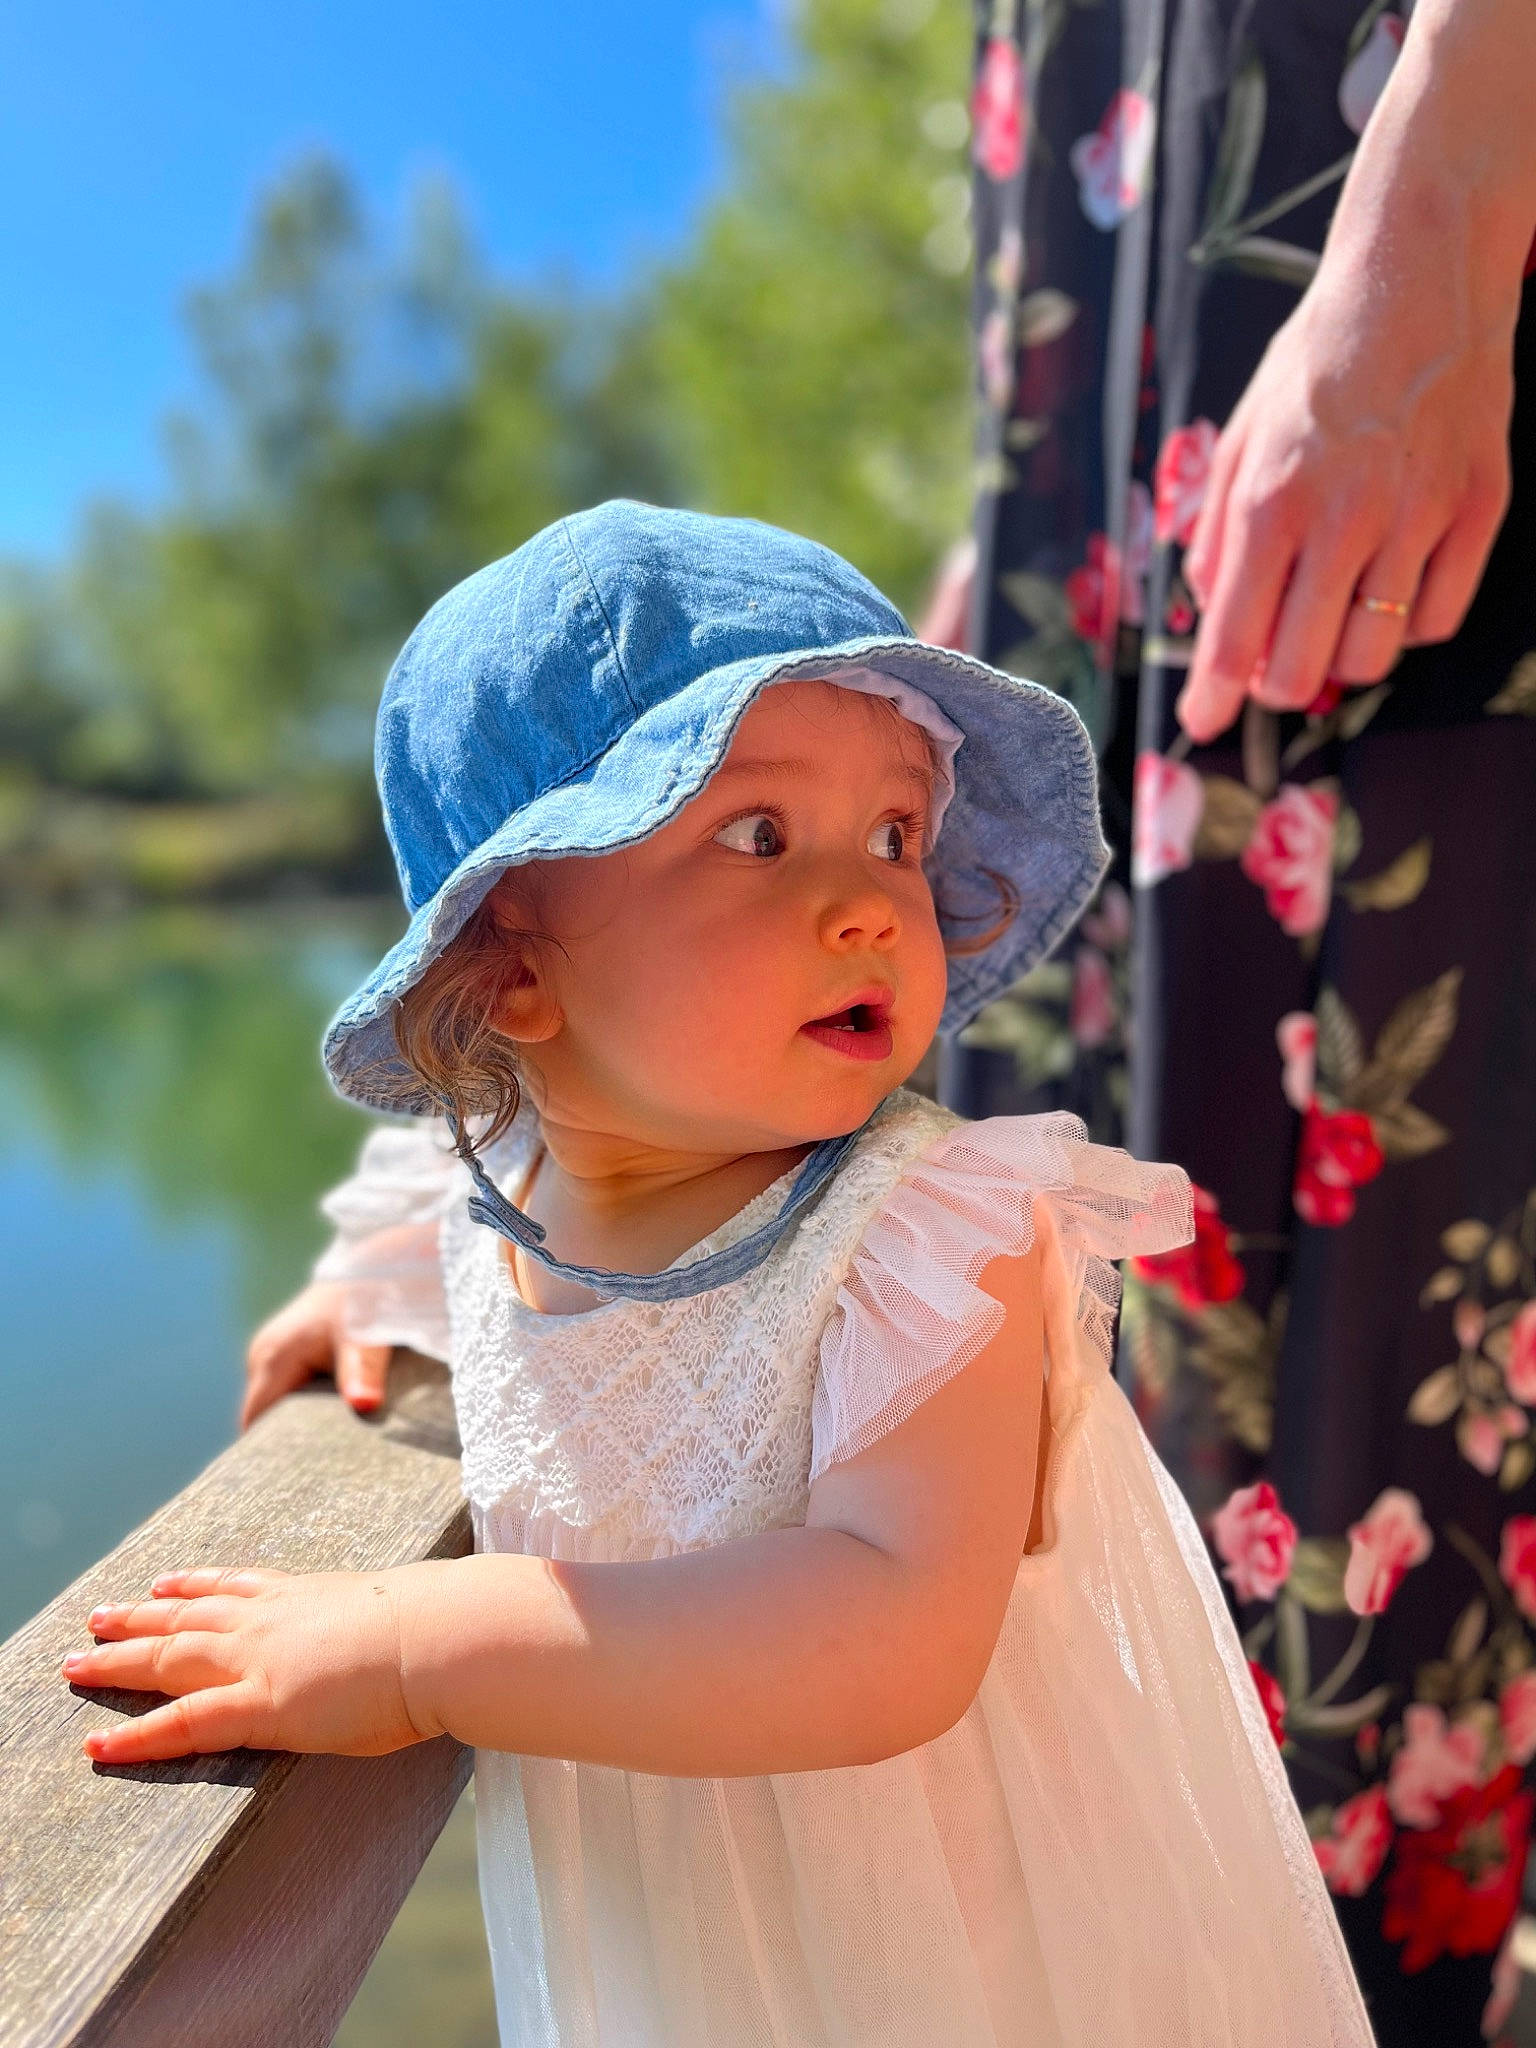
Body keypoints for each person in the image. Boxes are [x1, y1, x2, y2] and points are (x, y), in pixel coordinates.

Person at [61, 503, 1374, 2046]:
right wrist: (359, 1298)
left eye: (895, 836)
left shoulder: (934, 1234)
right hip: (686, 1955)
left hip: (962, 1965)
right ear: (513, 972)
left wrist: (416, 1648)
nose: (871, 902)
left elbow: (892, 1634)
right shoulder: (498, 1193)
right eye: (758, 835)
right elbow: (426, 1228)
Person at [962, 0, 1536, 2038]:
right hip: (1108, 440)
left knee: (1377, 1448)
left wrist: (1447, 186)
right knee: (1076, 1431)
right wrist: (996, 554)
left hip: (1349, 205)